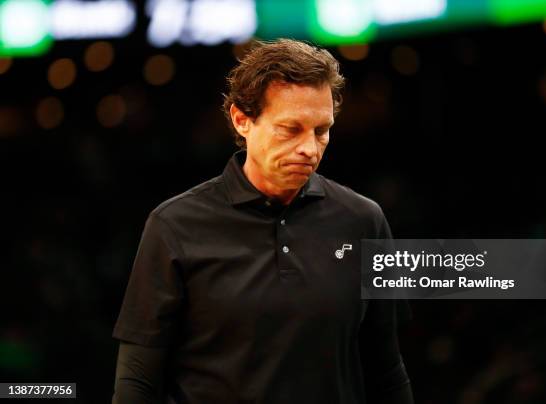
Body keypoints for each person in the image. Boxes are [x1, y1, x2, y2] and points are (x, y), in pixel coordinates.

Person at [112, 38, 414, 404]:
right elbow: (137, 380)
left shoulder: (364, 220)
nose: (310, 148)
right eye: (291, 129)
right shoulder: (173, 225)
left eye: (322, 131)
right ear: (242, 120)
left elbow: (386, 370)